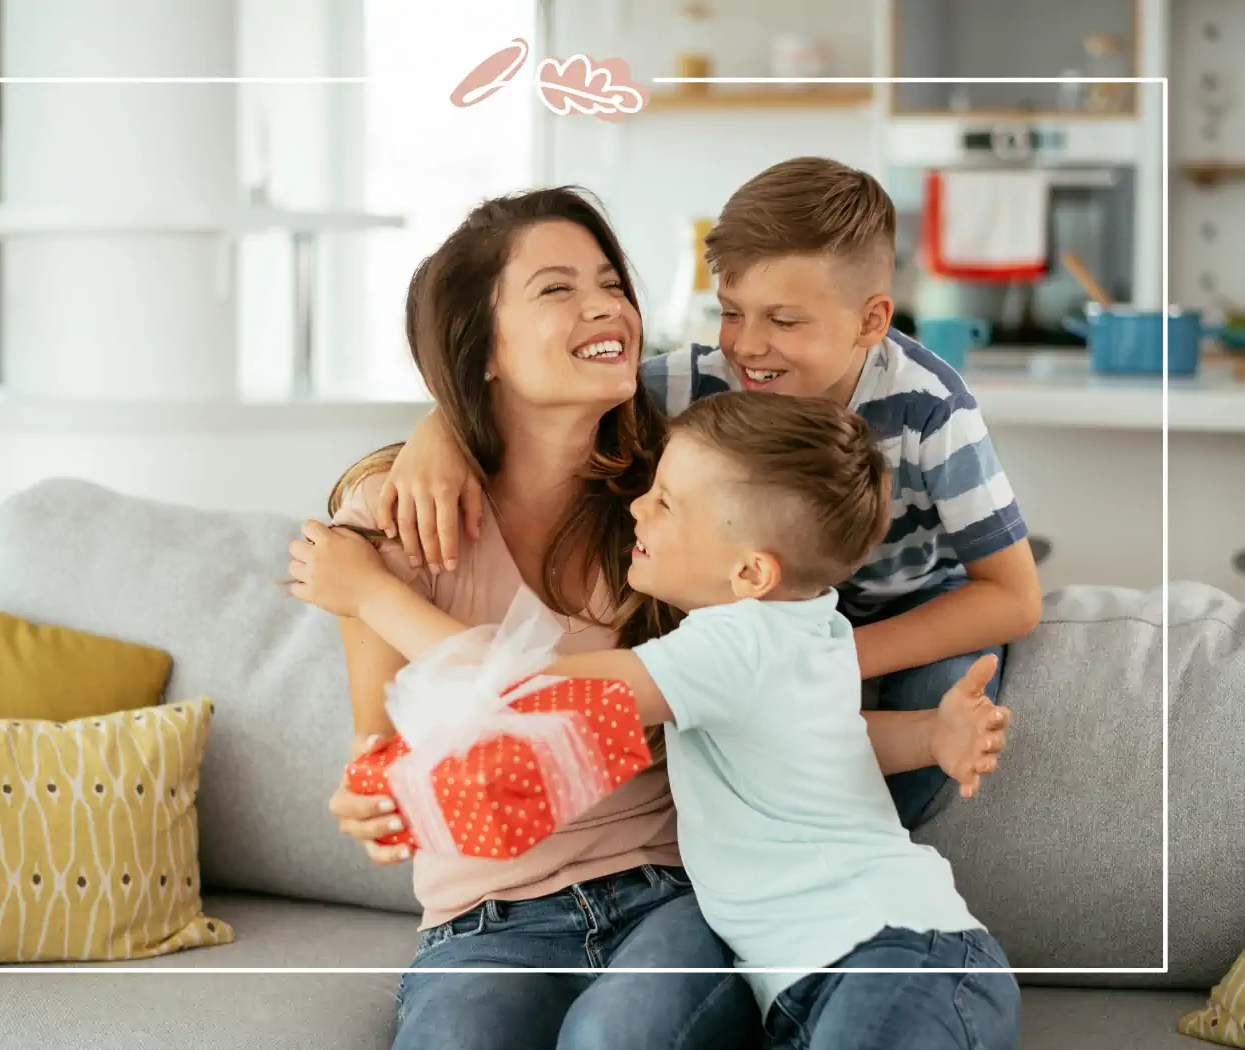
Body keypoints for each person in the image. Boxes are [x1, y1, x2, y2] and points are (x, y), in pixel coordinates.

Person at [285, 187, 1009, 1050]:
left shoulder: (666, 507)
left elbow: (781, 686)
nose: (604, 307)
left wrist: (371, 585)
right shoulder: (394, 516)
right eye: (556, 289)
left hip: (667, 895)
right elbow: (383, 749)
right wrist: (374, 797)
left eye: (610, 283)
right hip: (487, 920)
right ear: (479, 346)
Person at [360, 157, 1042, 828]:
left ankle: (831, 860)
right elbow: (559, 391)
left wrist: (829, 661)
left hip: (901, 611)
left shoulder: (932, 408)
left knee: (918, 730)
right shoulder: (695, 384)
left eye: (784, 320)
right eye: (732, 313)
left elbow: (1013, 596)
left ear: (871, 322)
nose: (748, 347)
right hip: (761, 620)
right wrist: (440, 429)